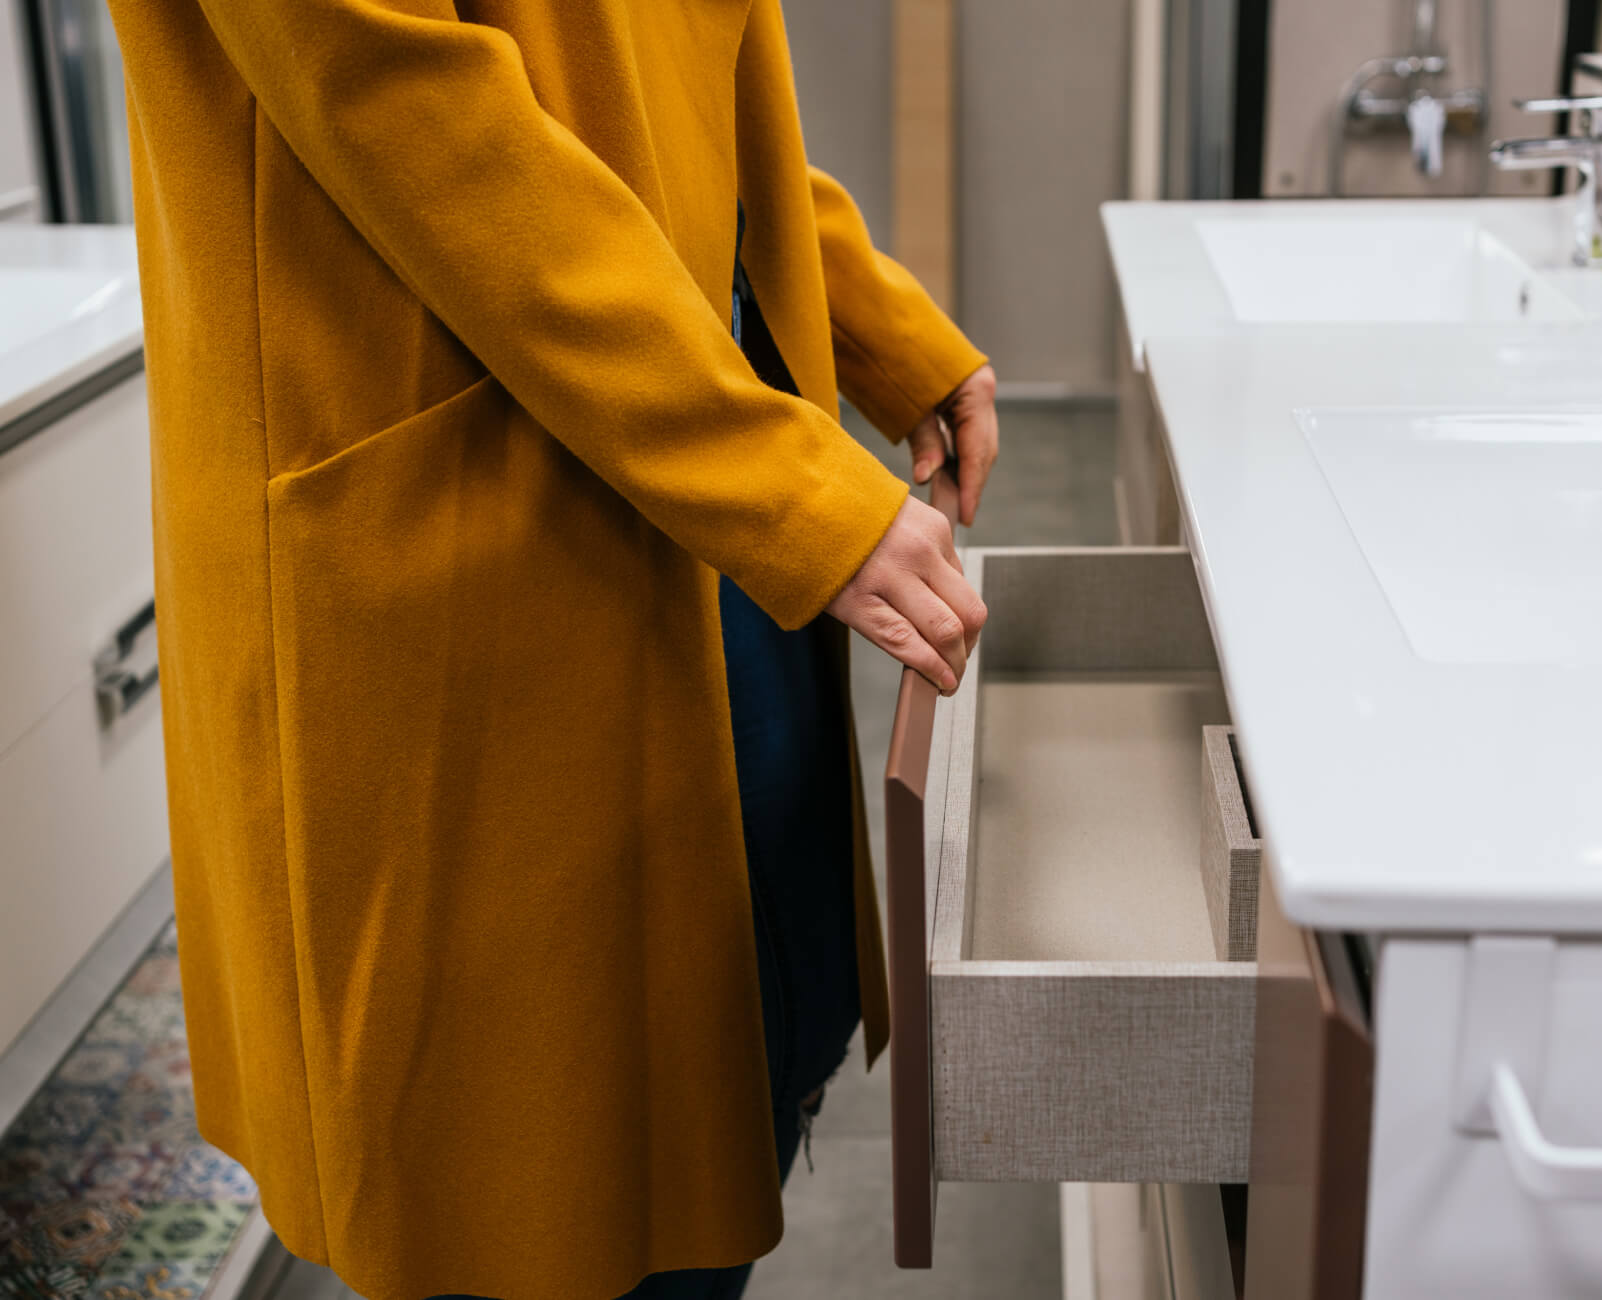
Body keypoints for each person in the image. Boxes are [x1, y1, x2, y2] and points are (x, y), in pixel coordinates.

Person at [103, 2, 998, 1298]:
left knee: (710, 1106)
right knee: (524, 1194)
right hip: (472, 543)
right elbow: (412, 111)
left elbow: (674, 93)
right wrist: (786, 486)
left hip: (682, 491)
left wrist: (869, 318)